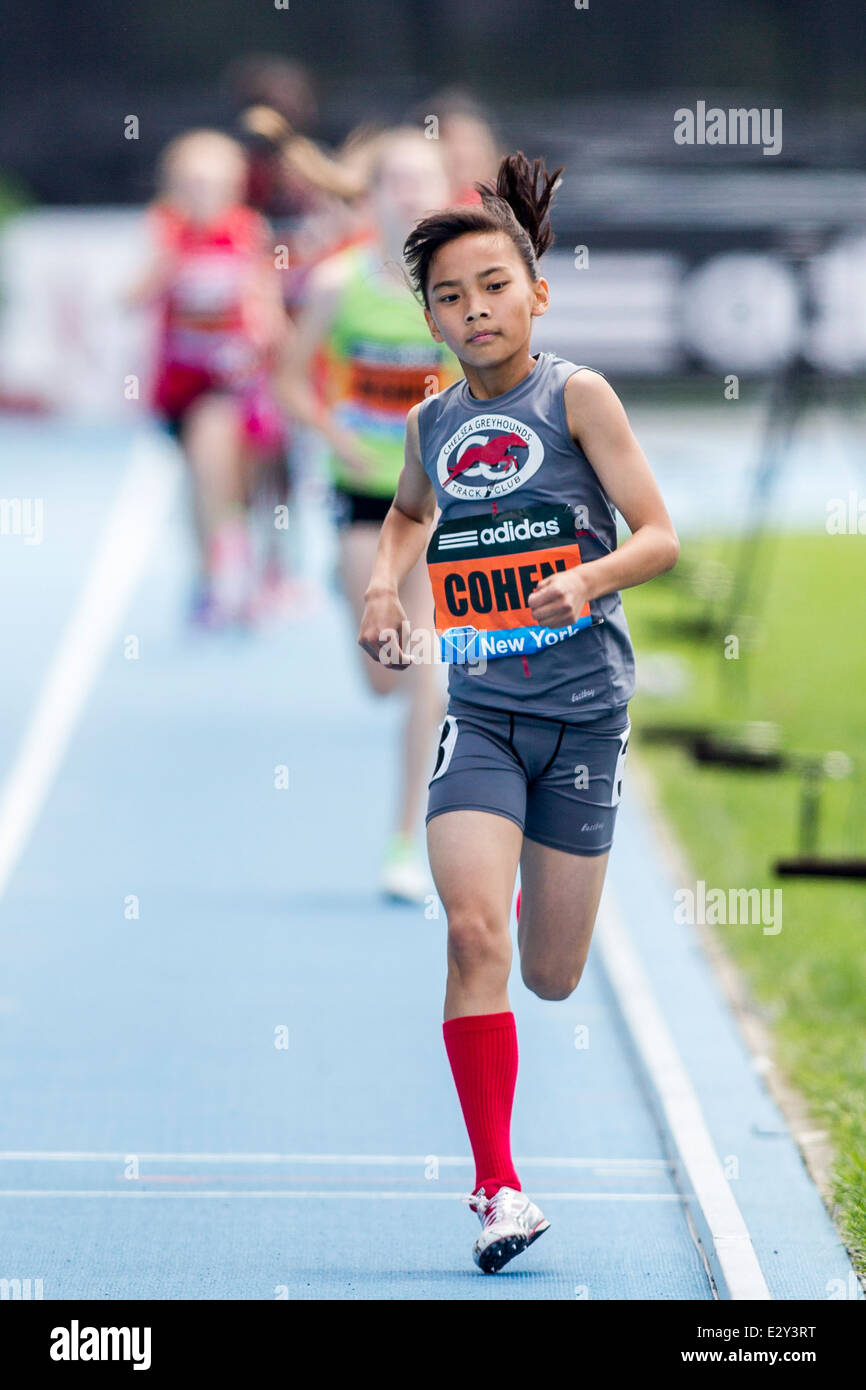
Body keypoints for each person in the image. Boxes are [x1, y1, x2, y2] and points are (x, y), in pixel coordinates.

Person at [358, 152, 680, 1272]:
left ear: (534, 293)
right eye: (449, 295)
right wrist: (378, 585)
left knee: (549, 971)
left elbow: (658, 534)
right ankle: (496, 1187)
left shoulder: (576, 396)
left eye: (492, 285)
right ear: (431, 318)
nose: (473, 308)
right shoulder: (430, 422)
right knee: (469, 931)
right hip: (483, 714)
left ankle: (501, 1154)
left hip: (583, 720)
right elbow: (404, 520)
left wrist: (585, 581)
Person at [279, 127, 462, 903]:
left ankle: (405, 840)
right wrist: (335, 436)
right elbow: (289, 380)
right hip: (366, 500)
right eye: (398, 181)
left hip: (442, 500)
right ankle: (340, 580)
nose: (412, 194)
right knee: (384, 679)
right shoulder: (336, 285)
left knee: (430, 670)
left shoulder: (464, 289)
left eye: (427, 181)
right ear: (374, 194)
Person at [128, 129, 289, 628]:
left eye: (212, 183)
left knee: (222, 463)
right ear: (174, 185)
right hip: (178, 383)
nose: (202, 194)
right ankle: (209, 572)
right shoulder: (163, 231)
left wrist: (264, 333)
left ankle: (240, 567)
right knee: (201, 478)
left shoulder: (247, 231)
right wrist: (167, 265)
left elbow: (267, 307)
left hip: (232, 382)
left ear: (234, 186)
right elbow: (129, 298)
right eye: (191, 183)